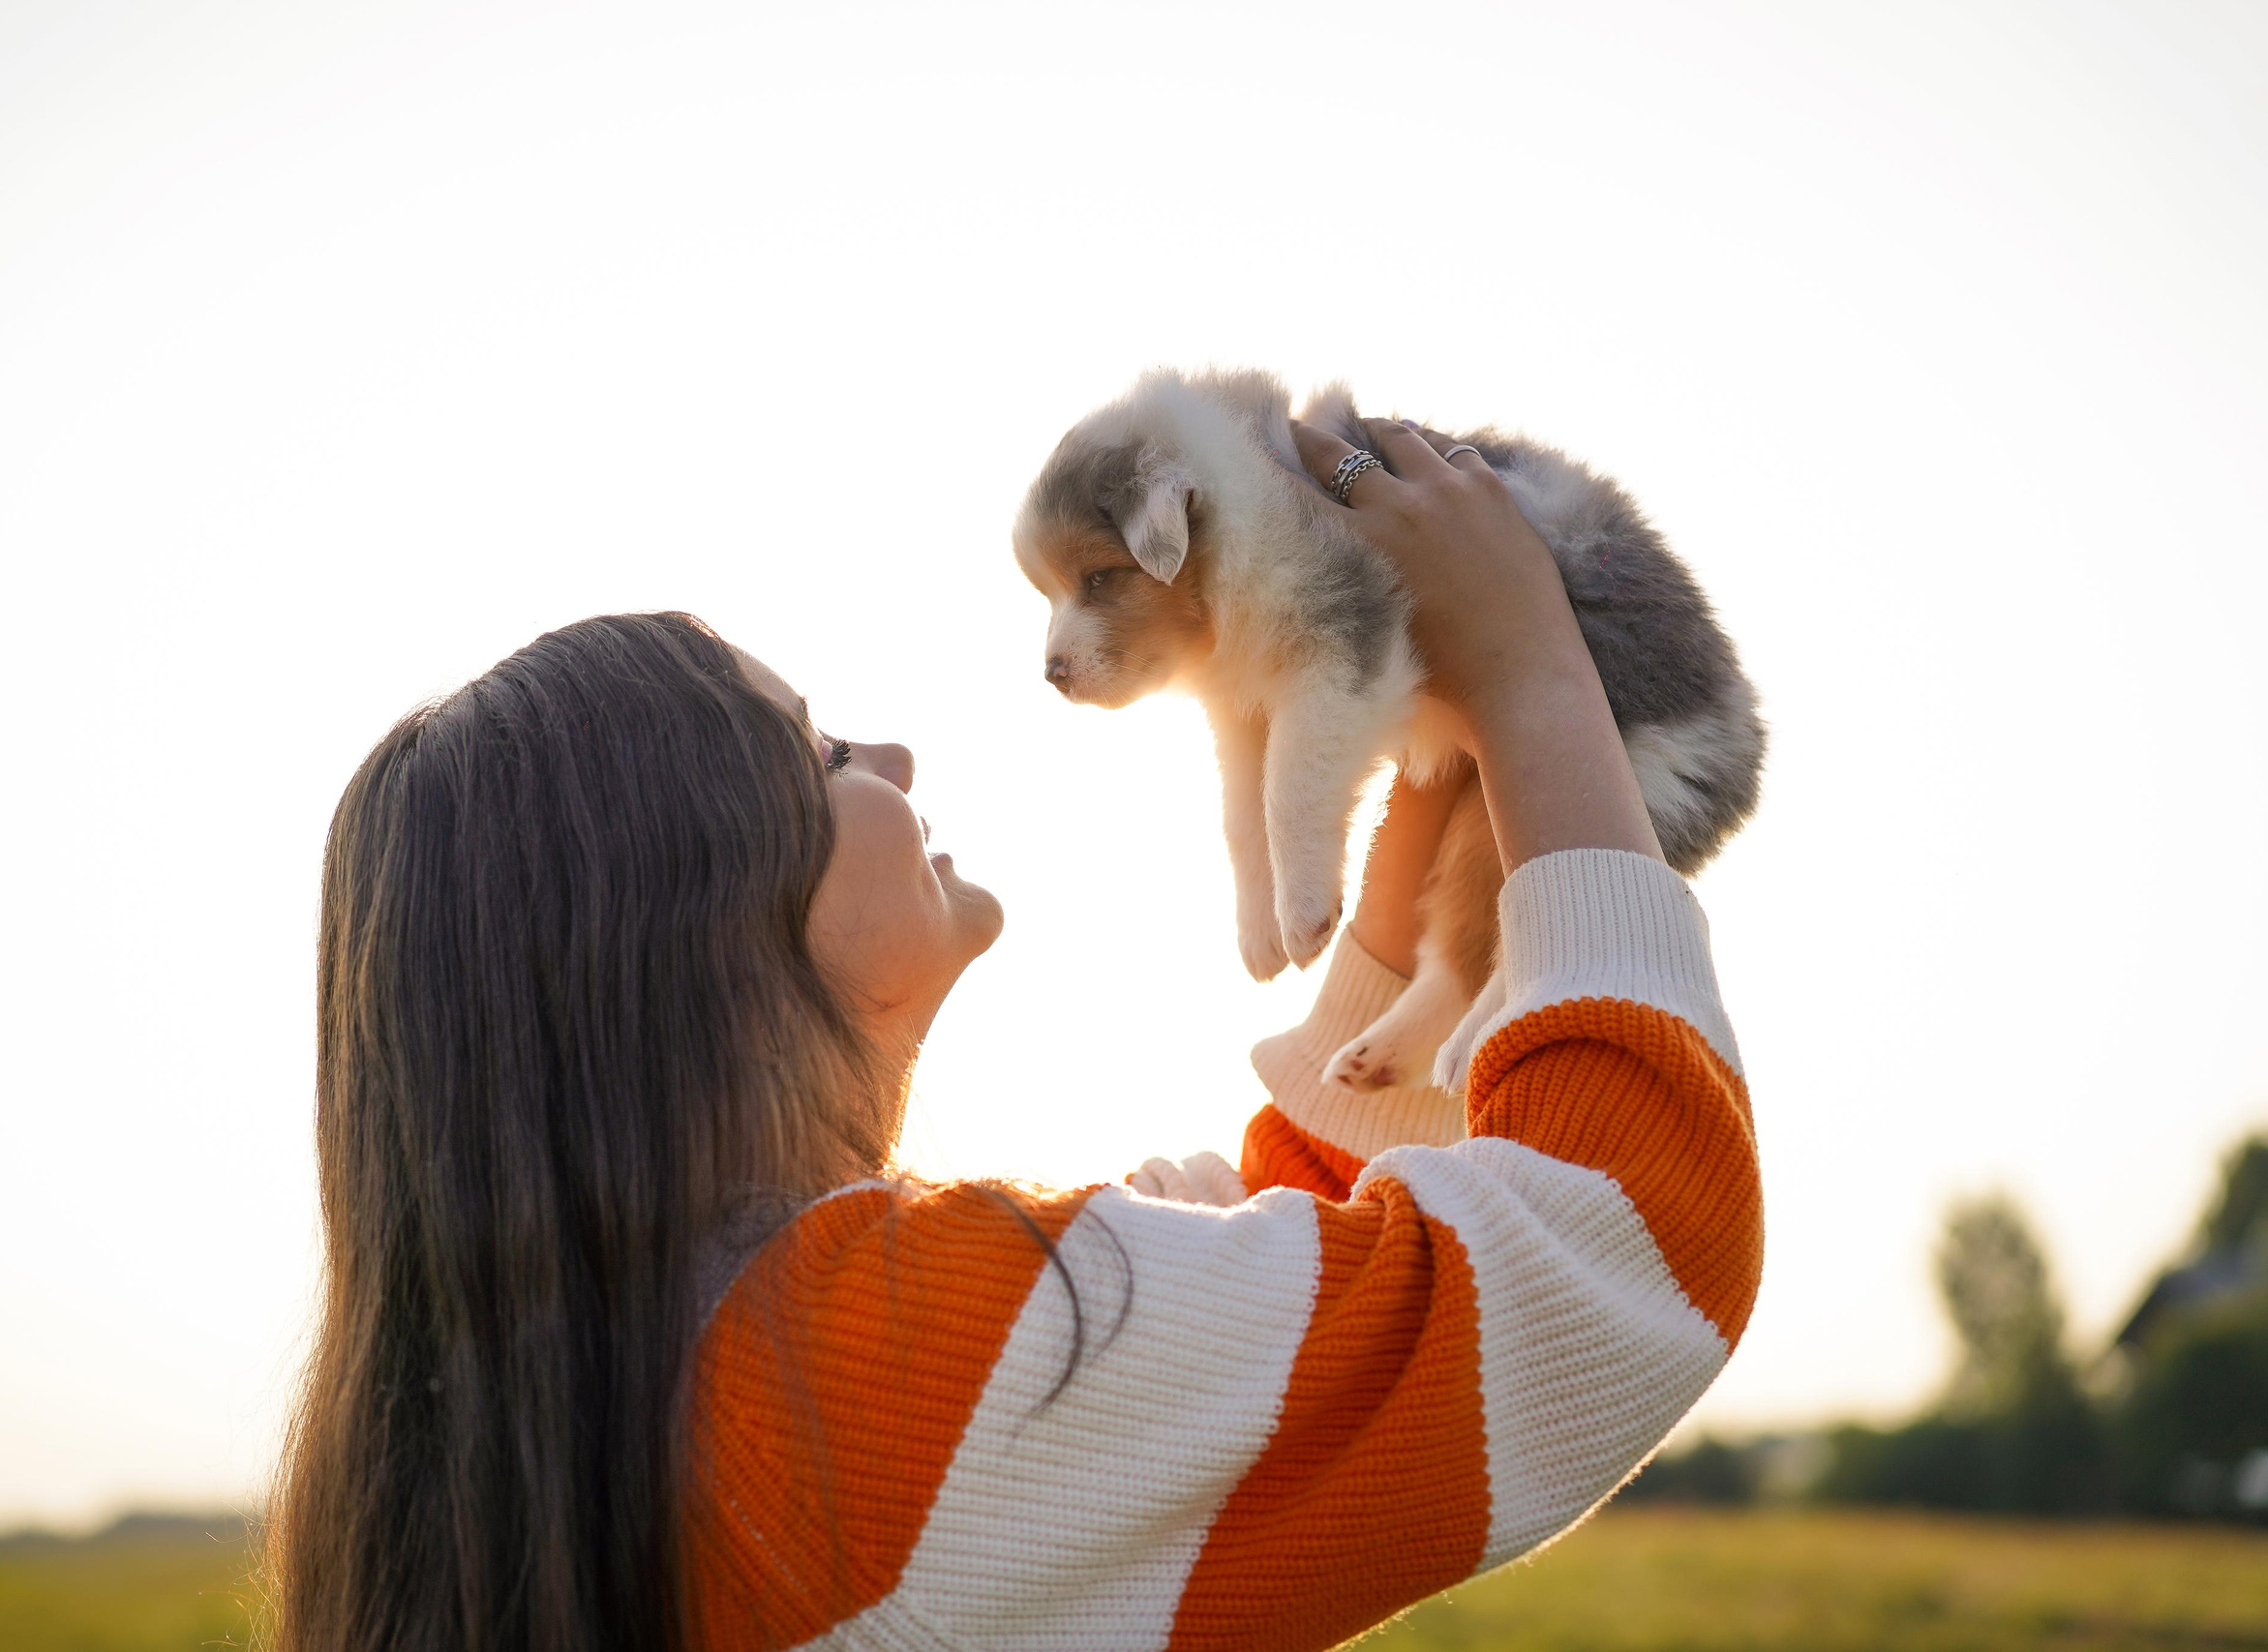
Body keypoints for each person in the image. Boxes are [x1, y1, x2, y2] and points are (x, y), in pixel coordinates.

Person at [264, 421, 1763, 1652]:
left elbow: (1256, 1296)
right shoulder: (874, 1368)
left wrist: (1390, 940)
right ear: (688, 914)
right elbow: (1616, 1260)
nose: (897, 757)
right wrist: (1534, 680)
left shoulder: (603, 1410)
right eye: (821, 751)